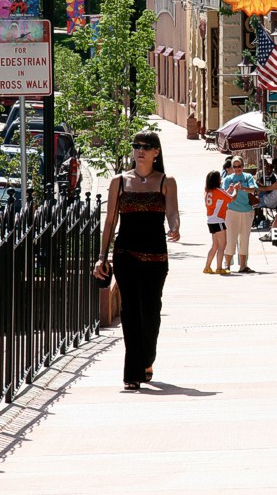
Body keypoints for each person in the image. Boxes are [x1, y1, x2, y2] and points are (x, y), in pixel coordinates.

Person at [93, 131, 180, 390]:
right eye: (136, 146)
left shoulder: (166, 181)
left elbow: (172, 211)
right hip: (126, 254)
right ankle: (132, 373)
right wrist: (101, 257)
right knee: (130, 311)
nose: (140, 150)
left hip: (156, 255)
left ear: (156, 152)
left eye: (146, 146)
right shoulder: (119, 181)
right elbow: (110, 221)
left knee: (151, 311)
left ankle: (147, 359)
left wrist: (175, 227)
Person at [222, 155, 256, 273]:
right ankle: (227, 265)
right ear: (232, 167)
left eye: (239, 166)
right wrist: (232, 189)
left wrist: (242, 188)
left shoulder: (248, 177)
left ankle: (243, 265)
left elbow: (253, 189)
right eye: (235, 166)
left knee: (244, 239)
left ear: (243, 166)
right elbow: (224, 195)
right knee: (230, 238)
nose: (237, 168)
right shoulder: (228, 179)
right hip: (231, 211)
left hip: (246, 211)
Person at [204, 171, 238, 274]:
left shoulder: (208, 191)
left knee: (215, 245)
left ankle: (207, 267)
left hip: (211, 220)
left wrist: (229, 190)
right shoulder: (219, 190)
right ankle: (219, 268)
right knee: (222, 245)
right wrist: (235, 190)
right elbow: (231, 198)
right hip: (218, 220)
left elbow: (221, 197)